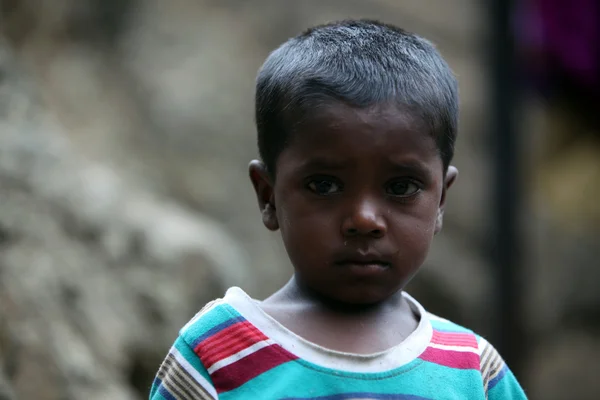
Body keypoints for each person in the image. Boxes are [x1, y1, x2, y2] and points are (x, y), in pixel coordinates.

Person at [149, 19, 528, 400]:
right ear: (268, 196)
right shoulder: (215, 356)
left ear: (441, 200)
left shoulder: (474, 371)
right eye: (324, 185)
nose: (364, 219)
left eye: (400, 188)